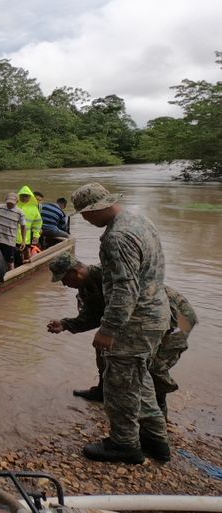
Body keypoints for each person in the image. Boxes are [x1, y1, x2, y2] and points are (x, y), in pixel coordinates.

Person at [71, 182, 170, 464]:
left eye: (86, 214)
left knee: (119, 384)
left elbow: (125, 289)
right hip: (154, 314)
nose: (86, 220)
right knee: (141, 381)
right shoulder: (138, 219)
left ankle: (124, 444)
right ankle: (156, 440)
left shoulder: (117, 237)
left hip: (134, 322)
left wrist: (108, 329)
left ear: (98, 208)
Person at [46, 252, 196, 419]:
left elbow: (131, 307)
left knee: (154, 367)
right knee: (104, 346)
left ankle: (158, 411)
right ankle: (103, 393)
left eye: (63, 278)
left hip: (179, 318)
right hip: (145, 319)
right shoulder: (86, 288)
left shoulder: (113, 275)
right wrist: (65, 324)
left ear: (75, 272)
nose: (64, 284)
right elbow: (93, 316)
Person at [0, 192, 26, 271]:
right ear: (5, 200)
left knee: (10, 262)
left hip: (9, 241)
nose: (10, 205)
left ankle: (11, 275)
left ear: (17, 202)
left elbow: (23, 227)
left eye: (12, 203)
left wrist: (23, 241)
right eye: (8, 203)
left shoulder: (20, 213)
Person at [15, 186, 42, 266]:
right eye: (22, 196)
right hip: (15, 235)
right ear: (19, 196)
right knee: (17, 252)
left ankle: (28, 265)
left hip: (27, 235)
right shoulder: (15, 206)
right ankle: (18, 265)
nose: (24, 198)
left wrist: (36, 235)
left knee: (27, 250)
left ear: (30, 197)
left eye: (27, 196)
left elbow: (37, 223)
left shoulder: (34, 208)